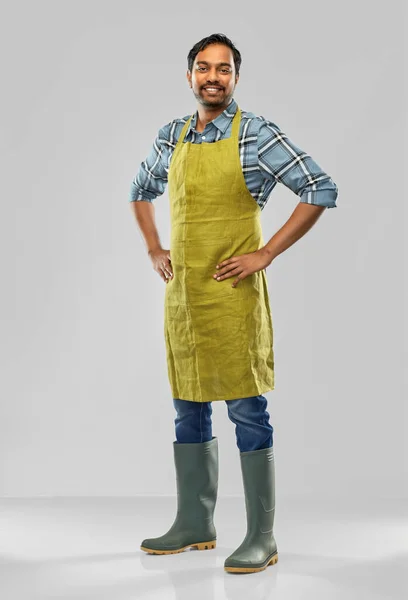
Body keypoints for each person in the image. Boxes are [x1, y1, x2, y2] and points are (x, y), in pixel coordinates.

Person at [129, 33, 338, 574]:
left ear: (236, 78)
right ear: (190, 76)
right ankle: (195, 523)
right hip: (184, 301)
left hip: (232, 299)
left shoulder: (255, 134)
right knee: (187, 407)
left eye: (223, 69)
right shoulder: (171, 136)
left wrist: (266, 251)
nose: (213, 77)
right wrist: (154, 246)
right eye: (203, 68)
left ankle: (261, 537)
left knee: (247, 410)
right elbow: (139, 189)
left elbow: (319, 187)